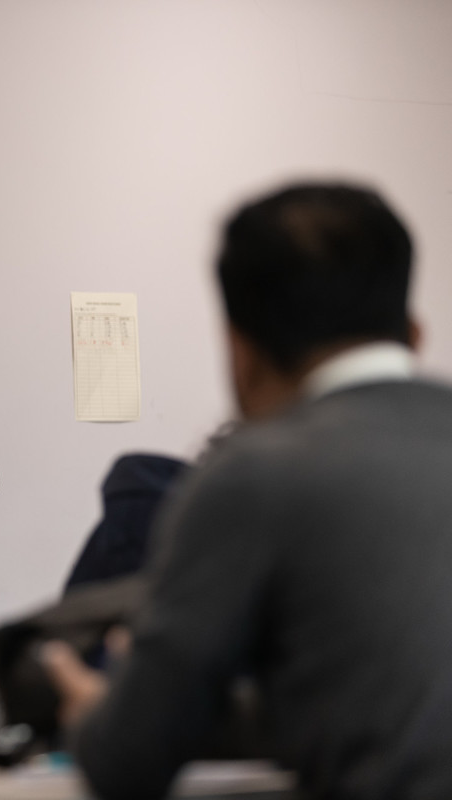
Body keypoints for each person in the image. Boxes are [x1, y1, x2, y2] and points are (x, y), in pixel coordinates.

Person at [44, 181, 452, 799]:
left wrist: (82, 704)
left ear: (241, 352)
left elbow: (129, 759)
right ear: (414, 335)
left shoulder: (254, 472)